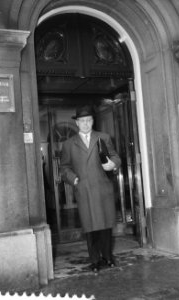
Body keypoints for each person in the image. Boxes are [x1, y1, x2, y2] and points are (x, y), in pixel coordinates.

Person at [60, 105, 121, 274]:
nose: (86, 123)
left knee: (105, 225)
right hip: (84, 188)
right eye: (82, 121)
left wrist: (113, 164)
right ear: (77, 123)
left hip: (103, 187)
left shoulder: (103, 137)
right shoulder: (68, 144)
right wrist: (74, 179)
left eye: (89, 120)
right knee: (90, 226)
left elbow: (115, 156)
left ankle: (108, 257)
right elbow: (63, 168)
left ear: (93, 121)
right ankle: (94, 260)